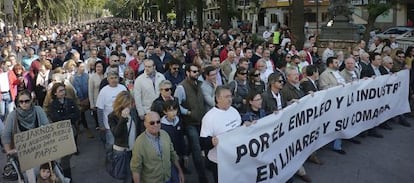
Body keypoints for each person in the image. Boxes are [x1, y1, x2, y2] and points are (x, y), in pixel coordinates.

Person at [1, 90, 50, 182]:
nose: (24, 104)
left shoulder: (38, 110)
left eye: (27, 101)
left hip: (40, 148)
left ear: (31, 100)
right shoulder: (13, 115)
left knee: (53, 170)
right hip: (22, 153)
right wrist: (9, 151)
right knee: (31, 174)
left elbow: (47, 126)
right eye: (21, 101)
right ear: (18, 103)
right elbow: (6, 134)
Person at [174, 63, 208, 182]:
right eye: (193, 71)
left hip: (201, 121)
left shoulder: (199, 84)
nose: (196, 73)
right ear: (187, 73)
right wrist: (188, 112)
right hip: (190, 123)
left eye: (197, 71)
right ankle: (202, 177)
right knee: (196, 148)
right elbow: (176, 105)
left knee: (199, 144)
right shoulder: (181, 88)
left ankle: (184, 155)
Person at [200, 86, 242, 183]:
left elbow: (239, 128)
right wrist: (211, 142)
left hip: (235, 158)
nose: (230, 99)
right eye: (226, 97)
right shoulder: (209, 117)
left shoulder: (234, 111)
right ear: (218, 98)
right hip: (219, 162)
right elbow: (202, 143)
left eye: (230, 96)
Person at [130, 111, 185, 183]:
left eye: (158, 122)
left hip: (168, 178)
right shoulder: (139, 143)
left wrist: (180, 172)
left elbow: (173, 155)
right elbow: (136, 169)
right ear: (145, 124)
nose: (156, 125)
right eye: (152, 123)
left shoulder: (165, 134)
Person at [47, 82, 80, 179]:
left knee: (70, 153)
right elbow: (55, 118)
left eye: (63, 90)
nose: (62, 92)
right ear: (55, 93)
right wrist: (68, 118)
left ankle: (63, 169)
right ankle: (67, 177)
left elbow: (77, 113)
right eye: (60, 91)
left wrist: (67, 118)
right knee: (65, 157)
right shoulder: (53, 105)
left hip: (72, 130)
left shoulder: (70, 101)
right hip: (61, 133)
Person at [108, 91, 141, 183]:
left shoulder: (134, 112)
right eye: (126, 104)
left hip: (134, 149)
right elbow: (116, 134)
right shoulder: (112, 116)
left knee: (136, 174)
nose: (128, 107)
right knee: (126, 177)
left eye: (130, 104)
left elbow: (138, 129)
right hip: (122, 151)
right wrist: (122, 119)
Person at [96, 71, 127, 150]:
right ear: (108, 79)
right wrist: (101, 125)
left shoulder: (123, 88)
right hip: (109, 124)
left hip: (122, 120)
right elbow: (100, 109)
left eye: (115, 78)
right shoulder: (103, 91)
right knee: (111, 144)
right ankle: (110, 160)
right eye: (111, 78)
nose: (114, 80)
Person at [160, 100, 188, 182]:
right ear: (165, 112)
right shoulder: (162, 126)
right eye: (170, 110)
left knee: (180, 177)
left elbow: (181, 138)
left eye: (175, 110)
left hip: (178, 154)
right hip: (168, 157)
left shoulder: (178, 121)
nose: (173, 113)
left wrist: (185, 154)